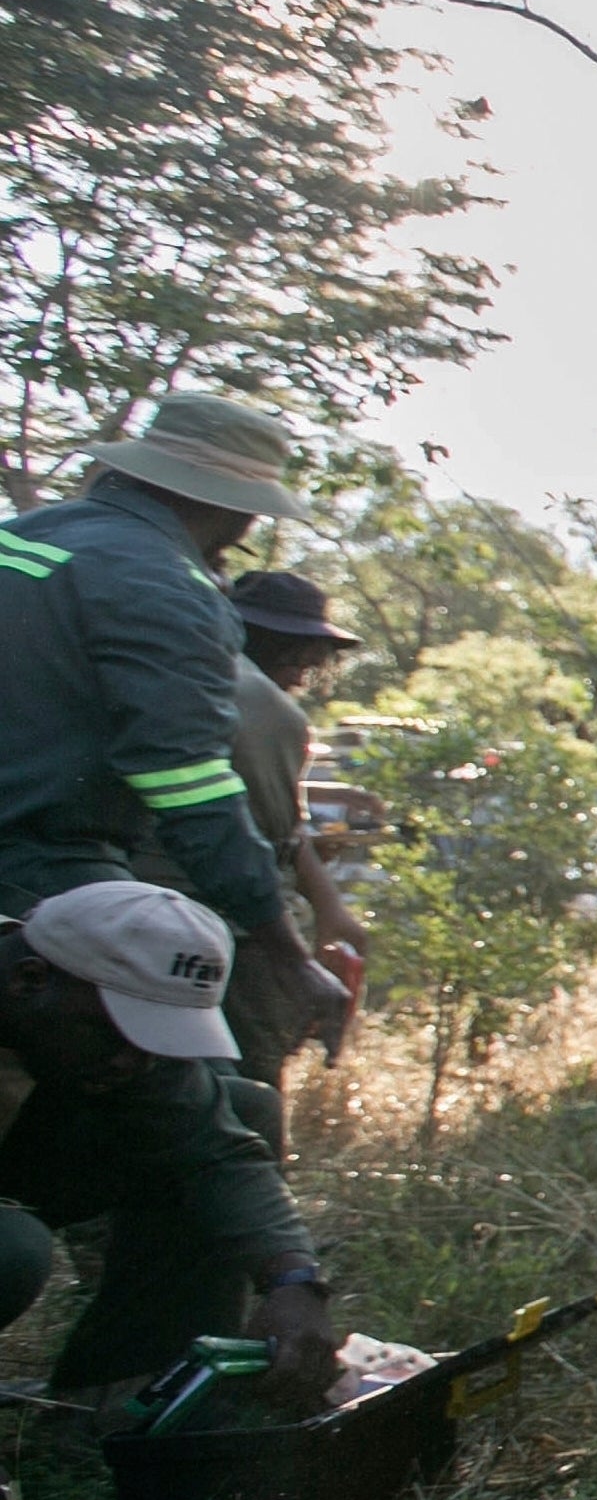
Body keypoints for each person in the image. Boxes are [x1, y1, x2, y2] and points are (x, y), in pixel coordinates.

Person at [0, 394, 352, 1063]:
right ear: (231, 509)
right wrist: (287, 954)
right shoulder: (168, 587)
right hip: (43, 880)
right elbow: (190, 790)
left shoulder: (21, 538)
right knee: (185, 1117)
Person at [0, 882, 339, 1406]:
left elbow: (219, 1154)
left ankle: (130, 1390)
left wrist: (294, 1282)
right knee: (12, 1247)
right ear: (30, 980)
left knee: (242, 1107)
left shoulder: (105, 1047)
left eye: (156, 1042)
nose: (133, 1063)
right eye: (121, 1035)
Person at [213, 571, 370, 1087]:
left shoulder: (184, 677)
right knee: (247, 1093)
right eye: (299, 651)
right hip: (236, 935)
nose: (307, 668)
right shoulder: (265, 707)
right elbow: (276, 835)